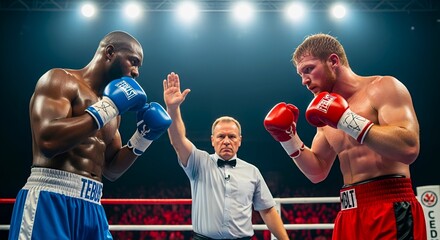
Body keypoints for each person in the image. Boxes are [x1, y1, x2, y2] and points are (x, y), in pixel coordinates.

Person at [8, 30, 172, 240]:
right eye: (133, 61)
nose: (136, 71)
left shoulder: (113, 111)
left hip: (92, 204)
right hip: (50, 199)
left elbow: (111, 169)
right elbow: (47, 140)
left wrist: (143, 137)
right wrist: (107, 108)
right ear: (110, 52)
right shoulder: (60, 80)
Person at [264, 33, 427, 239]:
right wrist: (288, 138)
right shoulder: (323, 113)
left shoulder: (382, 88)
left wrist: (347, 120)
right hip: (349, 212)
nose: (304, 80)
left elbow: (409, 148)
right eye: (300, 75)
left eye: (309, 69)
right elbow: (317, 172)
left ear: (333, 61)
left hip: (390, 207)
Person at [163, 72, 289, 240]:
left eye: (232, 137)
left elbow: (267, 209)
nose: (227, 141)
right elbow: (178, 140)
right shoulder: (199, 162)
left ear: (240, 141)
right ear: (212, 141)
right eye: (221, 137)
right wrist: (173, 108)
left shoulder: (252, 171)